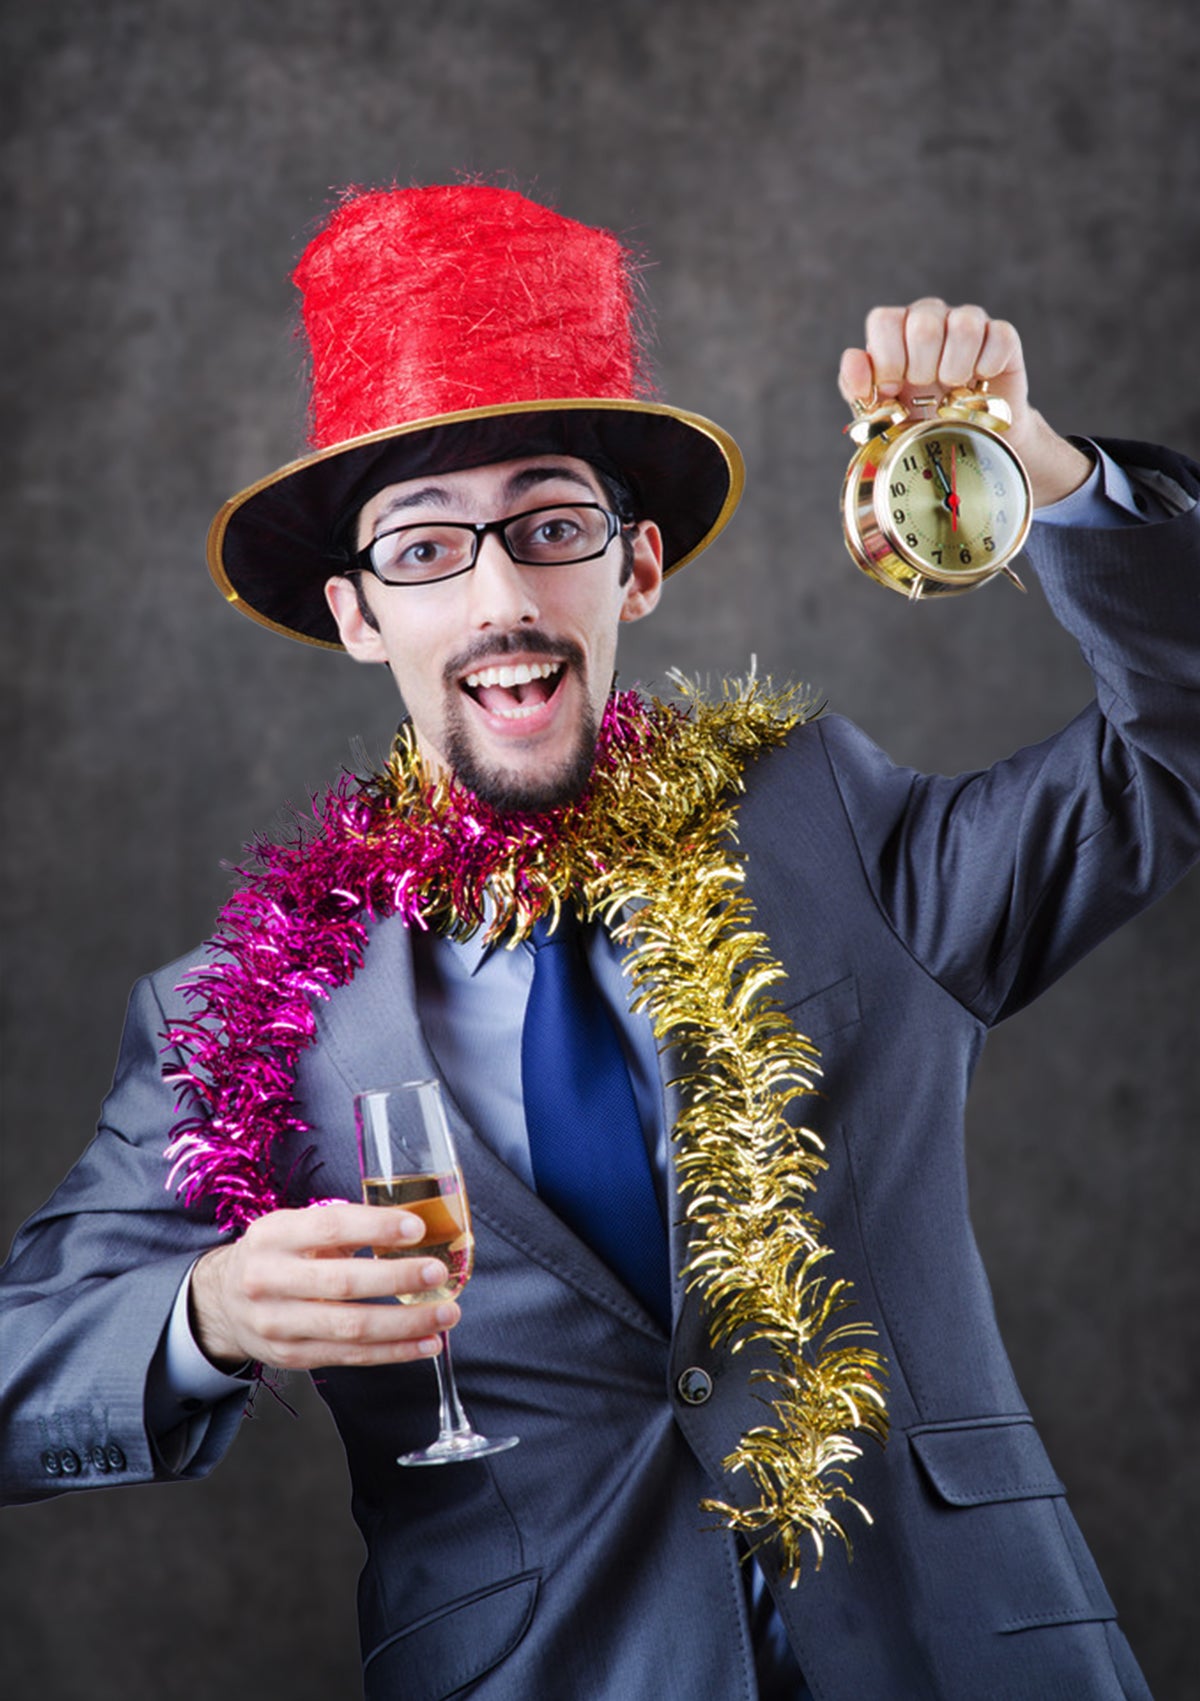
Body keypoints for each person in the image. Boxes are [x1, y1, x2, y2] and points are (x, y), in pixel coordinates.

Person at [2, 183, 1197, 1701]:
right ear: (357, 615)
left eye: (552, 526)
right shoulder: (239, 1021)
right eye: (425, 549)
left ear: (636, 567)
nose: (502, 598)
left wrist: (1050, 472)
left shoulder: (828, 826)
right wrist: (208, 1314)